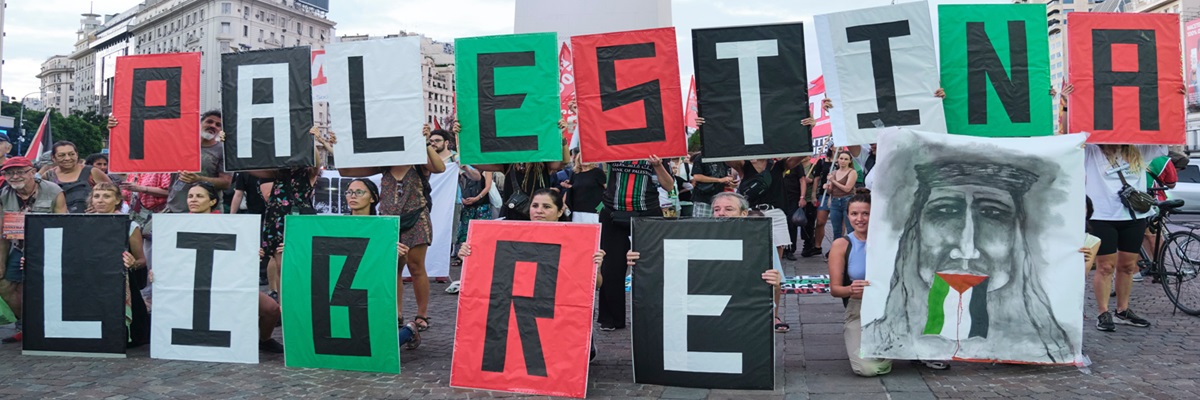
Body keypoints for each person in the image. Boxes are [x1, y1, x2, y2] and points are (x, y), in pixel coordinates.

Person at [864, 158, 1075, 363]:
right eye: (945, 211)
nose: (967, 249)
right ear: (915, 229)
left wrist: (1071, 253)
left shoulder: (1046, 345)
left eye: (992, 213)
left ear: (1017, 235)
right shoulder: (878, 338)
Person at [458, 188, 606, 360]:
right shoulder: (510, 235)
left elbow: (597, 285)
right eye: (535, 206)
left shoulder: (579, 241)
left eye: (546, 207)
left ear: (559, 211)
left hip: (558, 313)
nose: (539, 211)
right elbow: (488, 270)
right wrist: (469, 255)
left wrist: (594, 267)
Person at [336, 124, 446, 333]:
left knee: (415, 267)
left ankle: (422, 315)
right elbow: (345, 171)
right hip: (389, 223)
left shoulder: (419, 162)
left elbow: (440, 168)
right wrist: (338, 145)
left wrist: (425, 143)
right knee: (392, 268)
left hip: (416, 220)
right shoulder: (384, 164)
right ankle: (396, 313)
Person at [828, 189, 948, 376]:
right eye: (854, 214)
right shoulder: (841, 245)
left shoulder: (891, 240)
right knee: (866, 369)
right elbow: (835, 290)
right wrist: (849, 289)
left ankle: (904, 345)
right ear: (848, 215)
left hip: (895, 306)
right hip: (859, 308)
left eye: (865, 213)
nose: (859, 219)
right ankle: (892, 353)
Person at [625, 192, 785, 329]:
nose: (721, 213)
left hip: (740, 315)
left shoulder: (760, 242)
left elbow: (774, 286)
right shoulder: (697, 237)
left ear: (744, 213)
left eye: (729, 209)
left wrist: (776, 284)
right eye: (717, 209)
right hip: (704, 313)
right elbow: (669, 262)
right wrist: (642, 257)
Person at [184, 182, 283, 353]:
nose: (193, 200)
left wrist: (251, 254)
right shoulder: (177, 225)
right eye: (190, 196)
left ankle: (264, 339)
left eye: (199, 196)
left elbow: (238, 254)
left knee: (271, 309)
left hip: (229, 282)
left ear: (212, 202)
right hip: (193, 285)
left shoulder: (228, 225)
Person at [596, 156, 675, 331]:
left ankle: (652, 316)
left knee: (651, 266)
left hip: (647, 213)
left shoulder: (659, 150)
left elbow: (669, 186)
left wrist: (657, 165)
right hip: (612, 212)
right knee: (610, 267)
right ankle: (611, 319)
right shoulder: (613, 147)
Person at [108, 110, 233, 215]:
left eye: (218, 125)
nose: (213, 126)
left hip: (206, 211)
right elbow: (141, 142)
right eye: (209, 121)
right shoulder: (177, 144)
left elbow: (226, 183)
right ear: (200, 123)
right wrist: (118, 127)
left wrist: (198, 178)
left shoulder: (224, 151)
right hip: (174, 208)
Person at [1088, 144, 1156, 331]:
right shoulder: (1093, 150)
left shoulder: (1139, 149)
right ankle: (1103, 312)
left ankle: (1122, 310)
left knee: (1127, 266)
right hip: (1102, 217)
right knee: (1106, 266)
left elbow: (1164, 137)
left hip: (1134, 217)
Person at [0, 156, 68, 343]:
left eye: (20, 172)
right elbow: (1, 233)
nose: (15, 176)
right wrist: (1, 263)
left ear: (32, 172)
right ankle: (26, 324)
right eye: (9, 173)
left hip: (48, 247)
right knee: (4, 283)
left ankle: (46, 325)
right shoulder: (3, 194)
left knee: (45, 287)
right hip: (17, 246)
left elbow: (65, 224)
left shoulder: (53, 190)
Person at [89, 182, 150, 347]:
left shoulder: (129, 226)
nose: (100, 200)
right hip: (91, 285)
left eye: (106, 196)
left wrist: (131, 263)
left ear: (117, 200)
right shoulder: (82, 224)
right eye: (97, 196)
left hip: (120, 285)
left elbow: (141, 260)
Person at [41, 140, 113, 213]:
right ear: (53, 158)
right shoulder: (48, 176)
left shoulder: (92, 172)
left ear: (77, 155)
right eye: (61, 155)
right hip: (58, 221)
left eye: (71, 154)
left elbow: (115, 194)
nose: (67, 158)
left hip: (90, 220)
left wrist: (100, 207)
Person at [824, 152, 858, 240]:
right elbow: (831, 190)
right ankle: (837, 249)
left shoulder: (852, 172)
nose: (843, 161)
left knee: (850, 228)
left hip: (847, 200)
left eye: (846, 159)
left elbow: (847, 188)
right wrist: (827, 187)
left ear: (850, 161)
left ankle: (852, 249)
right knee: (836, 230)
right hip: (835, 200)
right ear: (837, 159)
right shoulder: (834, 172)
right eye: (841, 158)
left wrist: (833, 180)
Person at [564, 151, 605, 223]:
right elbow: (570, 189)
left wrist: (601, 207)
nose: (585, 160)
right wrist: (563, 203)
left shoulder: (598, 172)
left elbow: (607, 190)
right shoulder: (574, 173)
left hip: (594, 212)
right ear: (578, 159)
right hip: (576, 211)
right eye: (582, 157)